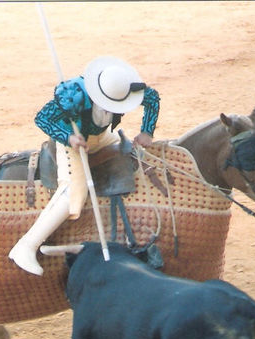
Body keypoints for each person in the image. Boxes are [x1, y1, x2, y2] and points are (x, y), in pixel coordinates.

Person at [9, 56, 160, 275]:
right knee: (73, 192)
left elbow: (152, 98)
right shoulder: (75, 94)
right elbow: (42, 118)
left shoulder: (125, 86)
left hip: (103, 137)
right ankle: (25, 246)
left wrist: (147, 131)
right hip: (74, 141)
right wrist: (68, 137)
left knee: (138, 156)